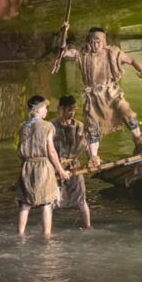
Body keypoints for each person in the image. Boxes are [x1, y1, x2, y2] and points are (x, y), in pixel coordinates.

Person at [59, 27, 142, 167]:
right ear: (88, 42)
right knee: (92, 127)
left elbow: (131, 60)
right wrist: (64, 34)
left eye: (98, 42)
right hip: (93, 97)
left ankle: (140, 139)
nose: (95, 45)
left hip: (111, 93)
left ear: (103, 42)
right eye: (92, 42)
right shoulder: (82, 54)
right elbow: (64, 52)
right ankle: (93, 157)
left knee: (127, 113)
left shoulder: (113, 53)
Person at [16, 95, 69, 237]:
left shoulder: (23, 126)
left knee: (25, 204)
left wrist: (23, 168)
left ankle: (20, 234)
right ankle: (47, 235)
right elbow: (51, 151)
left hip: (26, 166)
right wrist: (61, 170)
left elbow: (19, 150)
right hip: (43, 166)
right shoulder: (47, 126)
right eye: (45, 107)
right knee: (47, 203)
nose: (47, 110)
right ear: (38, 109)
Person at [52, 95, 91, 229]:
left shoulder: (79, 126)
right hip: (55, 167)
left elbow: (87, 145)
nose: (71, 113)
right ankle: (48, 230)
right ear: (60, 109)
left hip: (74, 166)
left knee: (81, 199)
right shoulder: (51, 127)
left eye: (73, 110)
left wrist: (92, 157)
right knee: (51, 201)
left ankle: (87, 226)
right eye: (69, 110)